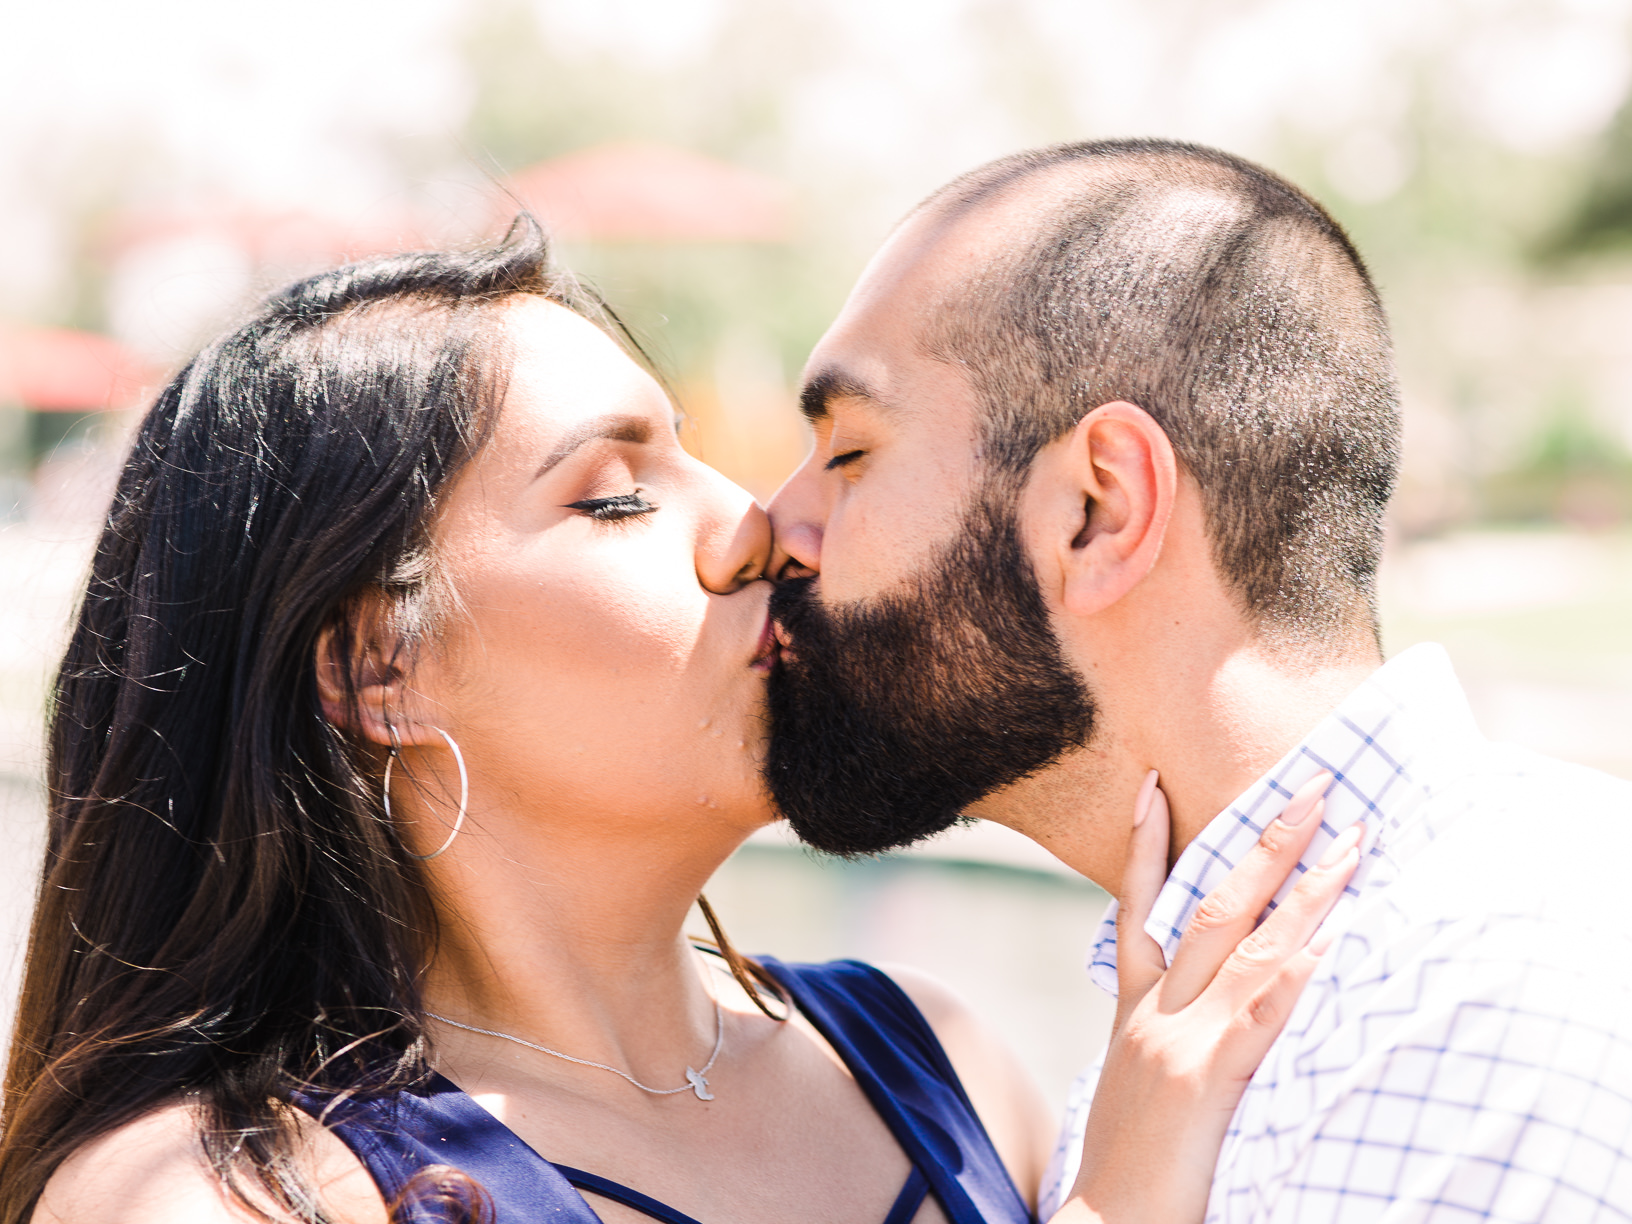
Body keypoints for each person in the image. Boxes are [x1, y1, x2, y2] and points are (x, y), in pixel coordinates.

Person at [0, 221, 1356, 1224]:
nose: (756, 521)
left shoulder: (939, 1064)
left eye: (702, 452)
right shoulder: (227, 1199)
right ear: (376, 668)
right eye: (613, 494)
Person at [764, 136, 1632, 1221]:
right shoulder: (1184, 1044)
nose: (774, 528)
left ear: (1099, 510)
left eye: (848, 453)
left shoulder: (1493, 1015)